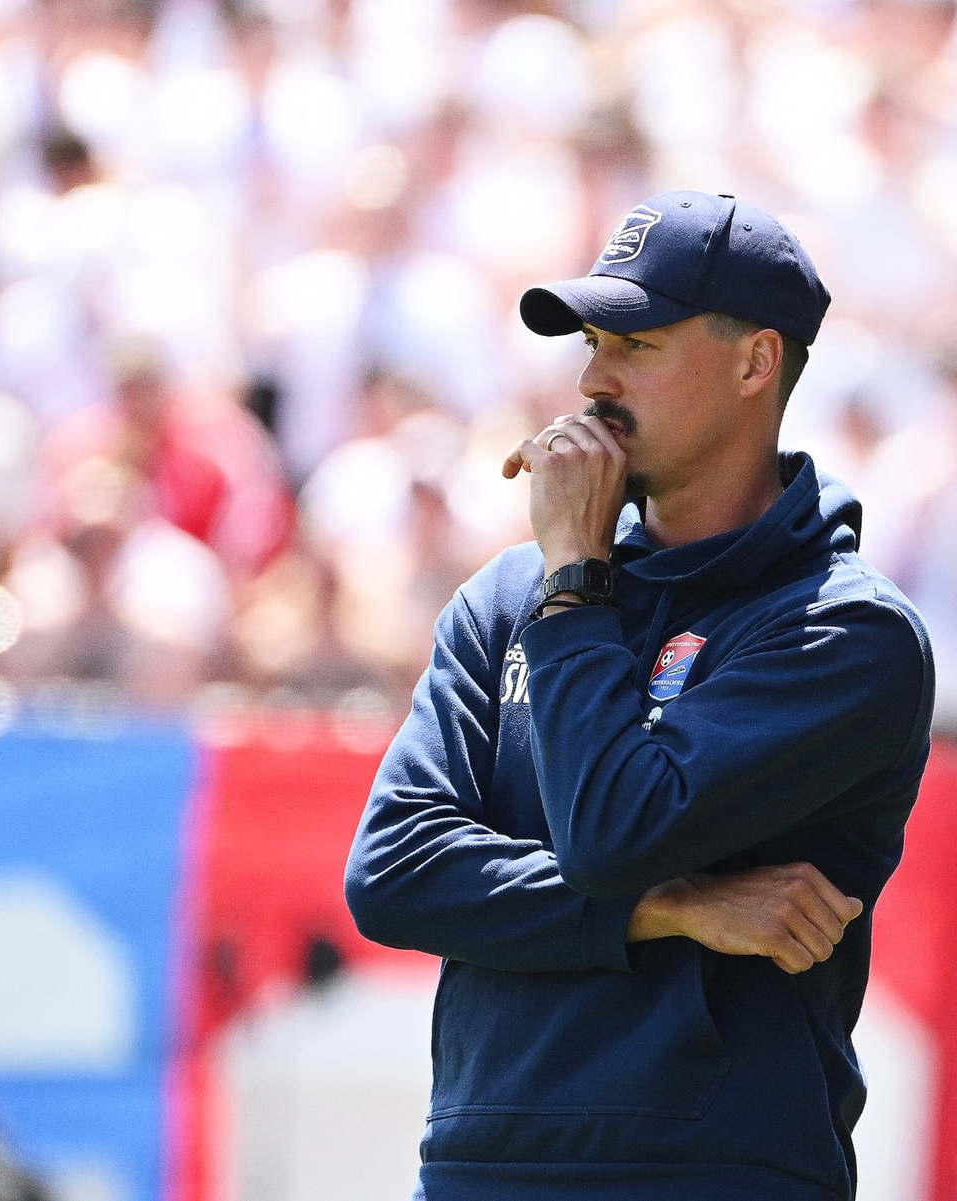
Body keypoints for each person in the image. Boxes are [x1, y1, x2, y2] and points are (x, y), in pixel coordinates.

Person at [344, 191, 935, 1200]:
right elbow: (393, 872)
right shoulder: (505, 595)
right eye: (592, 343)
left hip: (711, 1174)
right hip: (479, 1168)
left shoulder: (848, 632)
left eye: (636, 345)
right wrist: (674, 906)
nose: (592, 379)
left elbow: (614, 831)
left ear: (756, 363)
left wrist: (577, 576)